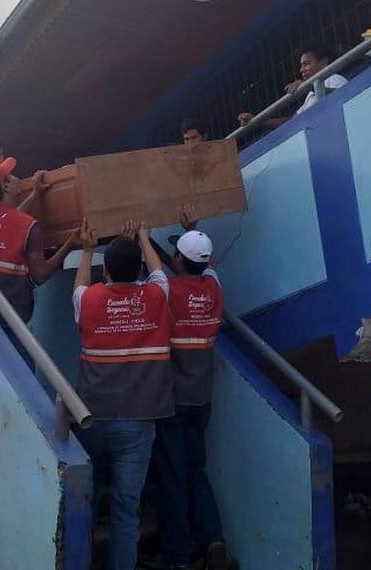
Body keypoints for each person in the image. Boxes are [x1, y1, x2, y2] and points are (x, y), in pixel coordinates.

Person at [73, 219, 174, 570]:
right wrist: (144, 237)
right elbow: (159, 273)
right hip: (138, 422)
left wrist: (88, 250)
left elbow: (79, 285)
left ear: (105, 271)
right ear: (140, 271)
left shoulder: (88, 300)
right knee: (126, 508)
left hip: (92, 419)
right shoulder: (156, 297)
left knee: (85, 500)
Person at [155, 226, 229, 570]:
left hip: (172, 401)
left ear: (177, 260)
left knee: (172, 476)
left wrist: (141, 235)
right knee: (196, 469)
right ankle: (213, 538)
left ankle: (178, 554)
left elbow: (154, 273)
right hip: (201, 400)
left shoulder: (169, 291)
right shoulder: (213, 287)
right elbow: (208, 264)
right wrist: (193, 227)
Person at [0, 157, 74, 355]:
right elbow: (40, 275)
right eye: (11, 176)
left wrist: (36, 194)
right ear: (5, 187)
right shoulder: (28, 225)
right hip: (11, 325)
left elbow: (7, 222)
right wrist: (71, 243)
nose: (17, 178)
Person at [237, 45, 349, 130]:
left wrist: (307, 86)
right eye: (301, 66)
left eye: (306, 64)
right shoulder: (310, 95)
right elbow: (292, 121)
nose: (301, 70)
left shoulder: (335, 79)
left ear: (323, 63)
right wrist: (256, 121)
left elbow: (344, 97)